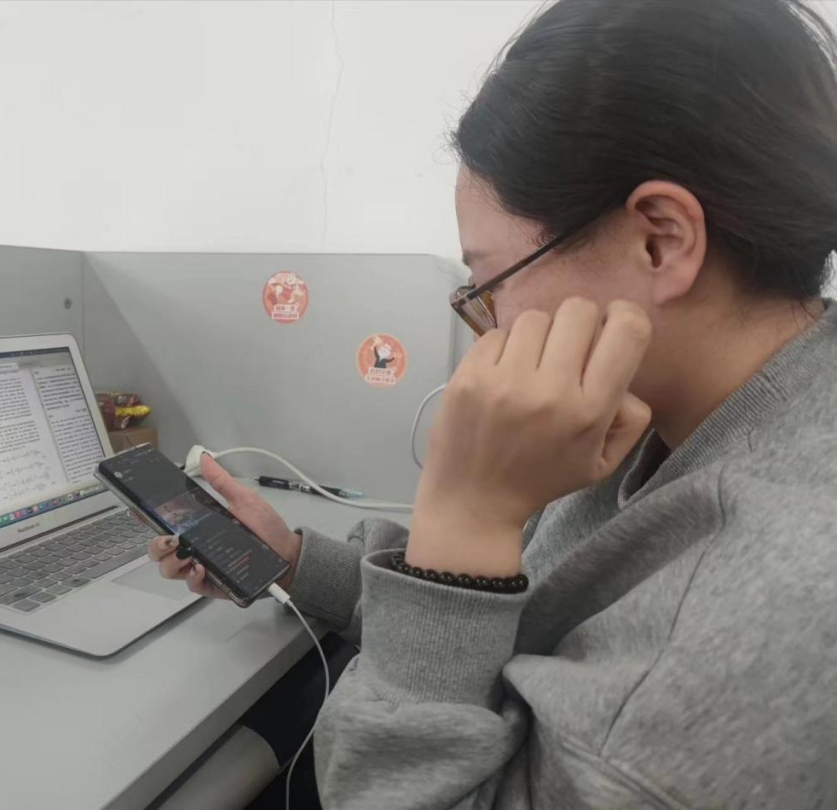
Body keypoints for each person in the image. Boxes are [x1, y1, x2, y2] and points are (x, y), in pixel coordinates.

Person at [149, 0, 837, 805]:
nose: (489, 327)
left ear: (661, 240)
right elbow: (493, 626)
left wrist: (466, 512)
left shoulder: (763, 612)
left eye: (491, 284)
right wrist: (298, 563)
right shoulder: (665, 411)